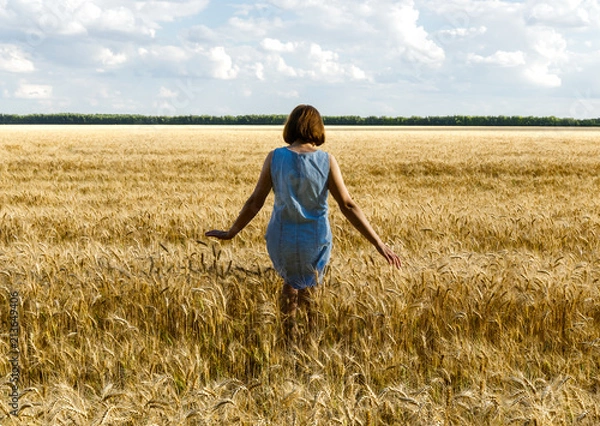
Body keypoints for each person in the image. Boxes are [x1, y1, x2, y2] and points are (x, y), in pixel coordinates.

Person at [205, 104, 401, 338]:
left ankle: (288, 339)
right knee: (311, 286)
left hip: (282, 235)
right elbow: (347, 205)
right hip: (315, 237)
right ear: (317, 128)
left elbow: (255, 201)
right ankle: (310, 341)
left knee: (290, 282)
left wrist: (232, 231)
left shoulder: (275, 157)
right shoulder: (327, 160)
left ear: (291, 126)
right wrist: (378, 243)